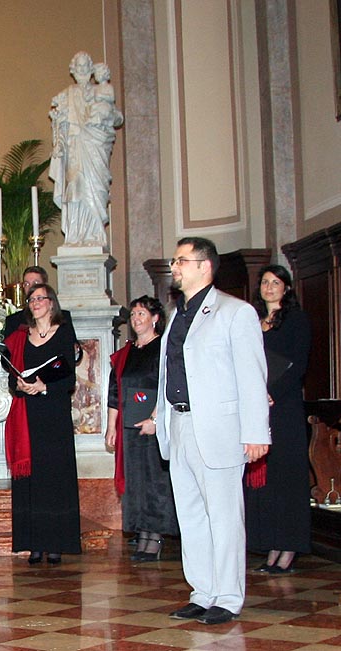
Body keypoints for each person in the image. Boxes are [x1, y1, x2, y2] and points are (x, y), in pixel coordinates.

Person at [156, 237, 269, 625]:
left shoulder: (235, 312)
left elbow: (252, 376)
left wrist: (256, 432)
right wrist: (161, 415)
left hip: (218, 429)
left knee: (223, 517)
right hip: (179, 424)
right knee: (191, 516)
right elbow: (170, 372)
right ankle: (203, 592)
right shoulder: (177, 315)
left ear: (205, 266)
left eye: (181, 261)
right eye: (175, 261)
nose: (175, 267)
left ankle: (228, 596)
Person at [4, 283, 80, 565]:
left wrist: (44, 387)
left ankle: (56, 543)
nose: (35, 303)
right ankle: (34, 543)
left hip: (54, 413)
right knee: (31, 480)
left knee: (54, 477)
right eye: (31, 299)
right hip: (27, 414)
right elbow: (12, 377)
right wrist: (21, 385)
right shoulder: (20, 336)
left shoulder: (64, 332)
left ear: (51, 303)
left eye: (40, 298)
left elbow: (69, 379)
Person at [245, 264, 311, 574]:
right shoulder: (251, 321)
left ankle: (289, 548)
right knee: (266, 483)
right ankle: (272, 544)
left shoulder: (296, 320)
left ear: (286, 287)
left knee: (287, 480)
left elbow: (298, 364)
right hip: (257, 408)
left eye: (275, 282)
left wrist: (272, 393)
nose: (269, 287)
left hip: (284, 409)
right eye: (265, 282)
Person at [104, 296, 177, 561]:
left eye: (141, 314)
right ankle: (142, 534)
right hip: (129, 428)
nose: (136, 319)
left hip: (154, 427)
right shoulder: (127, 352)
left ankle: (154, 537)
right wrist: (111, 427)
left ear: (155, 318)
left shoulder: (163, 349)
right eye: (133, 314)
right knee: (135, 482)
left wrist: (155, 420)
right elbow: (115, 391)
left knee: (154, 482)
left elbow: (167, 386)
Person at [48, 51, 123, 247]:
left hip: (95, 147)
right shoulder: (66, 95)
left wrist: (106, 117)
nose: (81, 70)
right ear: (73, 70)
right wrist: (58, 144)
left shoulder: (101, 91)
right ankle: (76, 236)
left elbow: (118, 118)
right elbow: (60, 125)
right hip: (75, 149)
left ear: (91, 69)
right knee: (75, 188)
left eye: (85, 66)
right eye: (78, 66)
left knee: (95, 188)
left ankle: (95, 235)